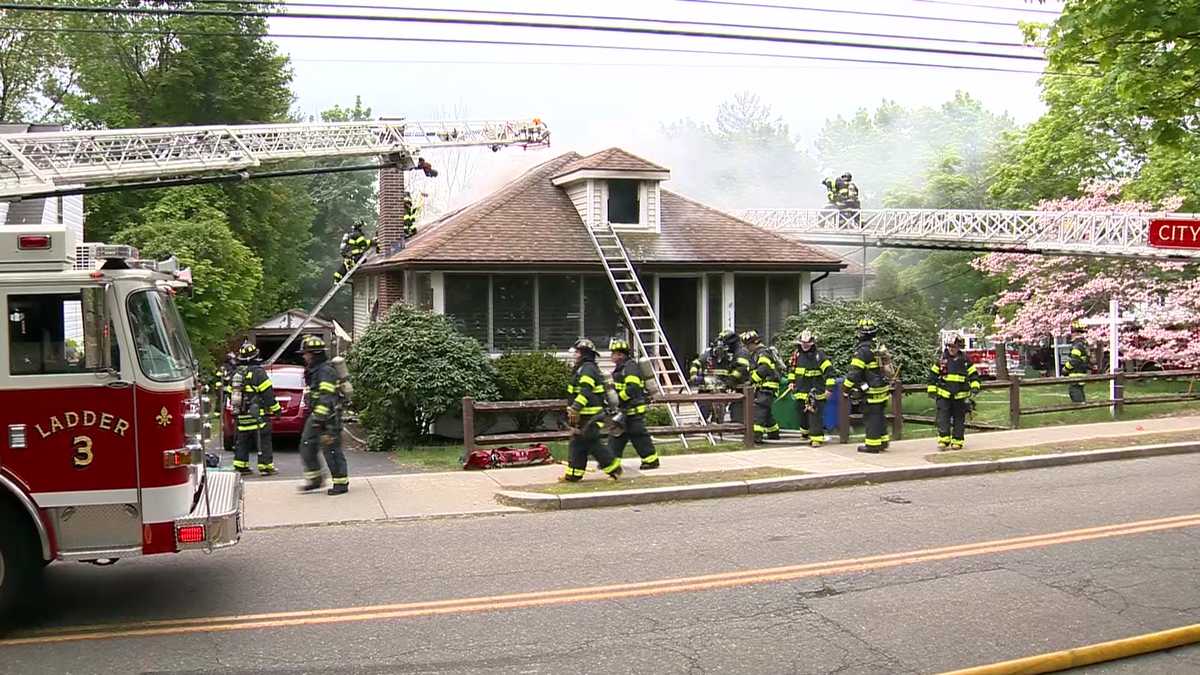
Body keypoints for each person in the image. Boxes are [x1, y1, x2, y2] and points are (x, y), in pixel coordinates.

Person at [563, 338, 623, 482]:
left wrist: (576, 408)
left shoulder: (588, 368)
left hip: (591, 416)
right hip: (584, 416)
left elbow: (586, 390)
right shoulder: (582, 368)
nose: (575, 355)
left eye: (577, 352)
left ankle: (614, 468)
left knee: (592, 444)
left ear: (584, 353)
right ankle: (573, 475)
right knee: (578, 443)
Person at [298, 335, 350, 495]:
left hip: (329, 418)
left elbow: (326, 397)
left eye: (306, 353)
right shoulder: (314, 370)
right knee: (307, 445)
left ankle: (341, 483)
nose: (304, 356)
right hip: (316, 415)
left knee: (331, 450)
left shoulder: (325, 371)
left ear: (314, 354)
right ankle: (315, 479)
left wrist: (319, 418)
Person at [230, 341, 281, 475]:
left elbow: (231, 393)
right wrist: (276, 410)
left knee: (242, 441)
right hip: (258, 416)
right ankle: (266, 467)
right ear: (255, 357)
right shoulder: (259, 373)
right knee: (263, 440)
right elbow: (268, 394)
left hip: (242, 415)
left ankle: (241, 466)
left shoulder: (236, 374)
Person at [608, 339, 660, 470]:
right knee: (617, 436)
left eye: (613, 353)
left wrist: (619, 398)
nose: (611, 356)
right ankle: (612, 463)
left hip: (633, 411)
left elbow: (633, 388)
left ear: (621, 355)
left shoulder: (630, 367)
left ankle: (651, 460)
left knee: (639, 437)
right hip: (625, 411)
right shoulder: (621, 368)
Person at [927, 333, 981, 451]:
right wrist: (931, 390)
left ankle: (957, 441)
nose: (952, 349)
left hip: (960, 397)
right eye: (950, 346)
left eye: (954, 347)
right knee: (943, 418)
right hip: (944, 396)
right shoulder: (941, 360)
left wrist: (975, 387)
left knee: (959, 420)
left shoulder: (965, 361)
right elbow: (932, 376)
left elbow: (974, 376)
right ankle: (944, 440)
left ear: (959, 347)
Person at [845, 318, 890, 453]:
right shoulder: (878, 347)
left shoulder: (862, 351)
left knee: (871, 417)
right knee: (880, 415)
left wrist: (846, 388)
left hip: (870, 390)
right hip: (882, 388)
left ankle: (872, 444)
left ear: (860, 334)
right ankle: (883, 441)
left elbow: (855, 372)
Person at [787, 330, 835, 447]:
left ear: (812, 343)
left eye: (807, 343)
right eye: (803, 343)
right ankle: (805, 433)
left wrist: (829, 389)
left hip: (815, 390)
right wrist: (791, 382)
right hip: (800, 390)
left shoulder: (819, 356)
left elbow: (830, 373)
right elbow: (792, 370)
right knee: (801, 412)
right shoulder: (796, 355)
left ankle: (816, 438)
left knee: (814, 414)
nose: (805, 345)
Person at [743, 330, 781, 443]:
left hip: (767, 387)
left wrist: (751, 381)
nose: (746, 348)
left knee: (758, 410)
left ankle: (755, 437)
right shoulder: (757, 353)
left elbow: (764, 369)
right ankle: (773, 433)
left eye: (747, 345)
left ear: (753, 343)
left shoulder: (762, 353)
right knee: (766, 412)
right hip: (763, 387)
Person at [689, 334, 731, 423]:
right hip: (706, 388)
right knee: (704, 411)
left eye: (722, 350)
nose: (720, 352)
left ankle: (718, 427)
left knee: (719, 413)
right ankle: (703, 425)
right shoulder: (706, 356)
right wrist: (693, 375)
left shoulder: (729, 358)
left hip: (721, 389)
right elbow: (695, 364)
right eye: (718, 350)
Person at [722, 329, 751, 426]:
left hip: (744, 387)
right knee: (736, 407)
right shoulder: (736, 352)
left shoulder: (741, 352)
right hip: (739, 387)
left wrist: (730, 381)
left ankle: (740, 427)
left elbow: (741, 369)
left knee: (739, 408)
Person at [1063, 319, 1091, 403]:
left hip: (1076, 373)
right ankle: (1083, 407)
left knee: (1074, 391)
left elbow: (1074, 360)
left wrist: (1065, 368)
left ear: (1075, 332)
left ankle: (1080, 408)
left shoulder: (1077, 344)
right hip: (1082, 372)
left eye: (1072, 332)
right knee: (1079, 390)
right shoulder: (1084, 343)